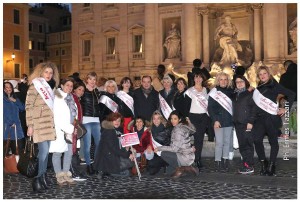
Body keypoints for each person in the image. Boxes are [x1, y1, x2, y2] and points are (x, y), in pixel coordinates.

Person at [252, 66, 295, 176]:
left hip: (271, 118)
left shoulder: (274, 85)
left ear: (269, 74)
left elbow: (291, 94)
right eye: (260, 74)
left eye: (264, 73)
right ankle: (263, 163)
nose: (262, 76)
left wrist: (285, 108)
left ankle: (271, 165)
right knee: (256, 140)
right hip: (259, 119)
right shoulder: (259, 87)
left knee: (273, 142)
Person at [26, 62, 59, 192]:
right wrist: (30, 125)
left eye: (51, 73)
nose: (49, 75)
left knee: (45, 154)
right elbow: (28, 106)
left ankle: (43, 176)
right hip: (38, 124)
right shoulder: (35, 86)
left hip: (49, 124)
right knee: (43, 152)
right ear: (41, 73)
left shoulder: (52, 88)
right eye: (46, 72)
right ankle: (37, 179)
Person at [154, 110, 198, 179]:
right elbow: (193, 130)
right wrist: (189, 122)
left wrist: (159, 148)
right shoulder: (183, 126)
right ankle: (185, 169)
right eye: (171, 119)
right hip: (188, 155)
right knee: (169, 171)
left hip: (184, 156)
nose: (172, 121)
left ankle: (185, 168)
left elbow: (174, 149)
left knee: (163, 153)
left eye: (175, 119)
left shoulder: (178, 130)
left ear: (179, 119)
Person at [49, 78, 77, 185]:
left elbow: (74, 113)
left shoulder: (70, 97)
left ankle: (66, 173)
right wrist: (68, 128)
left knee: (68, 152)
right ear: (62, 85)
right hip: (60, 129)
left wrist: (74, 126)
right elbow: (56, 115)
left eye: (71, 86)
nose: (69, 88)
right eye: (67, 85)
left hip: (70, 129)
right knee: (57, 153)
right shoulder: (57, 97)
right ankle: (59, 175)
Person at [94, 113, 134, 178]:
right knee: (127, 169)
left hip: (112, 156)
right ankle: (107, 172)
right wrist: (128, 154)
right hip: (107, 158)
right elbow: (114, 149)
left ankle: (109, 171)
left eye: (119, 121)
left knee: (129, 164)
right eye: (115, 120)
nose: (117, 122)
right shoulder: (109, 131)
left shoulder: (117, 130)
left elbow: (120, 145)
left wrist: (128, 150)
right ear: (110, 120)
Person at [208, 72, 234, 172]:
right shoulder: (214, 92)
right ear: (218, 81)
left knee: (227, 142)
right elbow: (210, 108)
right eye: (221, 79)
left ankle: (225, 160)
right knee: (219, 142)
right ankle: (218, 161)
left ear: (228, 81)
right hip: (218, 121)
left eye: (225, 79)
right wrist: (215, 120)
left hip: (229, 120)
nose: (223, 81)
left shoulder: (231, 92)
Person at [184, 71, 210, 171]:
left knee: (199, 139)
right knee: (194, 139)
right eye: (196, 77)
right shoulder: (189, 91)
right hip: (192, 117)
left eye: (200, 77)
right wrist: (187, 118)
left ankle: (197, 159)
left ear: (202, 79)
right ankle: (193, 159)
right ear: (193, 79)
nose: (198, 79)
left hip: (203, 117)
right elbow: (186, 106)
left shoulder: (207, 90)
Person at [232, 75, 256, 174]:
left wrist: (251, 121)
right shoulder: (235, 94)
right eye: (237, 82)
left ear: (245, 82)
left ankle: (249, 166)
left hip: (246, 123)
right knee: (242, 145)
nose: (239, 83)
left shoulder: (250, 93)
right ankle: (246, 164)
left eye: (241, 81)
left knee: (247, 145)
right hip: (238, 123)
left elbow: (254, 109)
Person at [80, 72, 101, 175]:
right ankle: (89, 165)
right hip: (86, 120)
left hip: (96, 120)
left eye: (94, 79)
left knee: (98, 143)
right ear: (86, 80)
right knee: (87, 145)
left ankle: (96, 164)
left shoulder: (97, 91)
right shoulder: (83, 91)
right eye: (91, 79)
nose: (92, 81)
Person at [70, 82, 87, 181]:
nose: (81, 92)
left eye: (83, 90)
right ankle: (73, 172)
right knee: (73, 150)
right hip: (74, 128)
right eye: (79, 89)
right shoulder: (72, 98)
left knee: (75, 150)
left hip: (77, 127)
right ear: (74, 90)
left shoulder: (77, 99)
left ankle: (75, 171)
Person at [3, 81, 25, 158]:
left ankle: (16, 168)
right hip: (6, 128)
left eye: (10, 87)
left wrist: (15, 100)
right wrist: (9, 122)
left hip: (16, 128)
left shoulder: (15, 97)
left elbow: (22, 108)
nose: (8, 89)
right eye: (6, 87)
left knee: (18, 150)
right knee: (4, 150)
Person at [147, 111, 172, 175]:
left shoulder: (166, 130)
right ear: (152, 120)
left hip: (165, 153)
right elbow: (148, 141)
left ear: (161, 119)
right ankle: (162, 164)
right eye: (154, 118)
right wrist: (149, 146)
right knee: (150, 171)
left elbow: (169, 145)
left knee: (151, 163)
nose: (156, 120)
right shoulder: (150, 130)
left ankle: (166, 163)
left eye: (158, 118)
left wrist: (160, 148)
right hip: (156, 153)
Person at [279, 62, 297, 136]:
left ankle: (285, 137)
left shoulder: (284, 76)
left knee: (285, 122)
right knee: (295, 122)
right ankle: (295, 138)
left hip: (287, 102)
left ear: (286, 67)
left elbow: (280, 90)